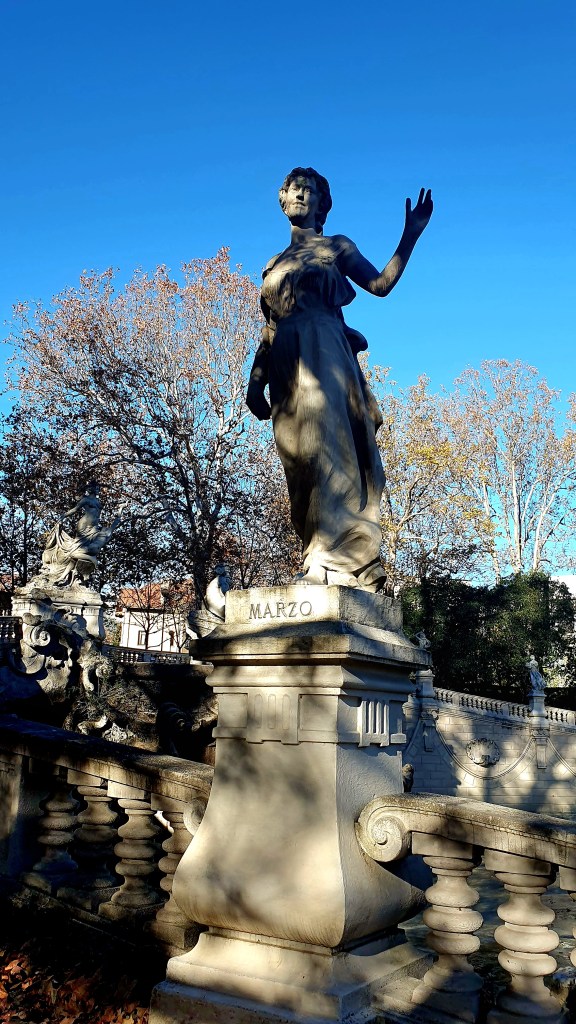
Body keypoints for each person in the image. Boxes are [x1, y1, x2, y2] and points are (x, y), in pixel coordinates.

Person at [247, 167, 432, 590]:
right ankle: (316, 549)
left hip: (324, 350)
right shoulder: (273, 264)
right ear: (282, 198)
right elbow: (270, 327)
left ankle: (335, 560)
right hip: (285, 364)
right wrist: (255, 381)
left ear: (322, 203)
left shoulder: (336, 246)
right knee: (298, 463)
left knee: (324, 450)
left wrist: (410, 235)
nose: (301, 196)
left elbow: (381, 285)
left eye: (309, 190)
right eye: (294, 190)